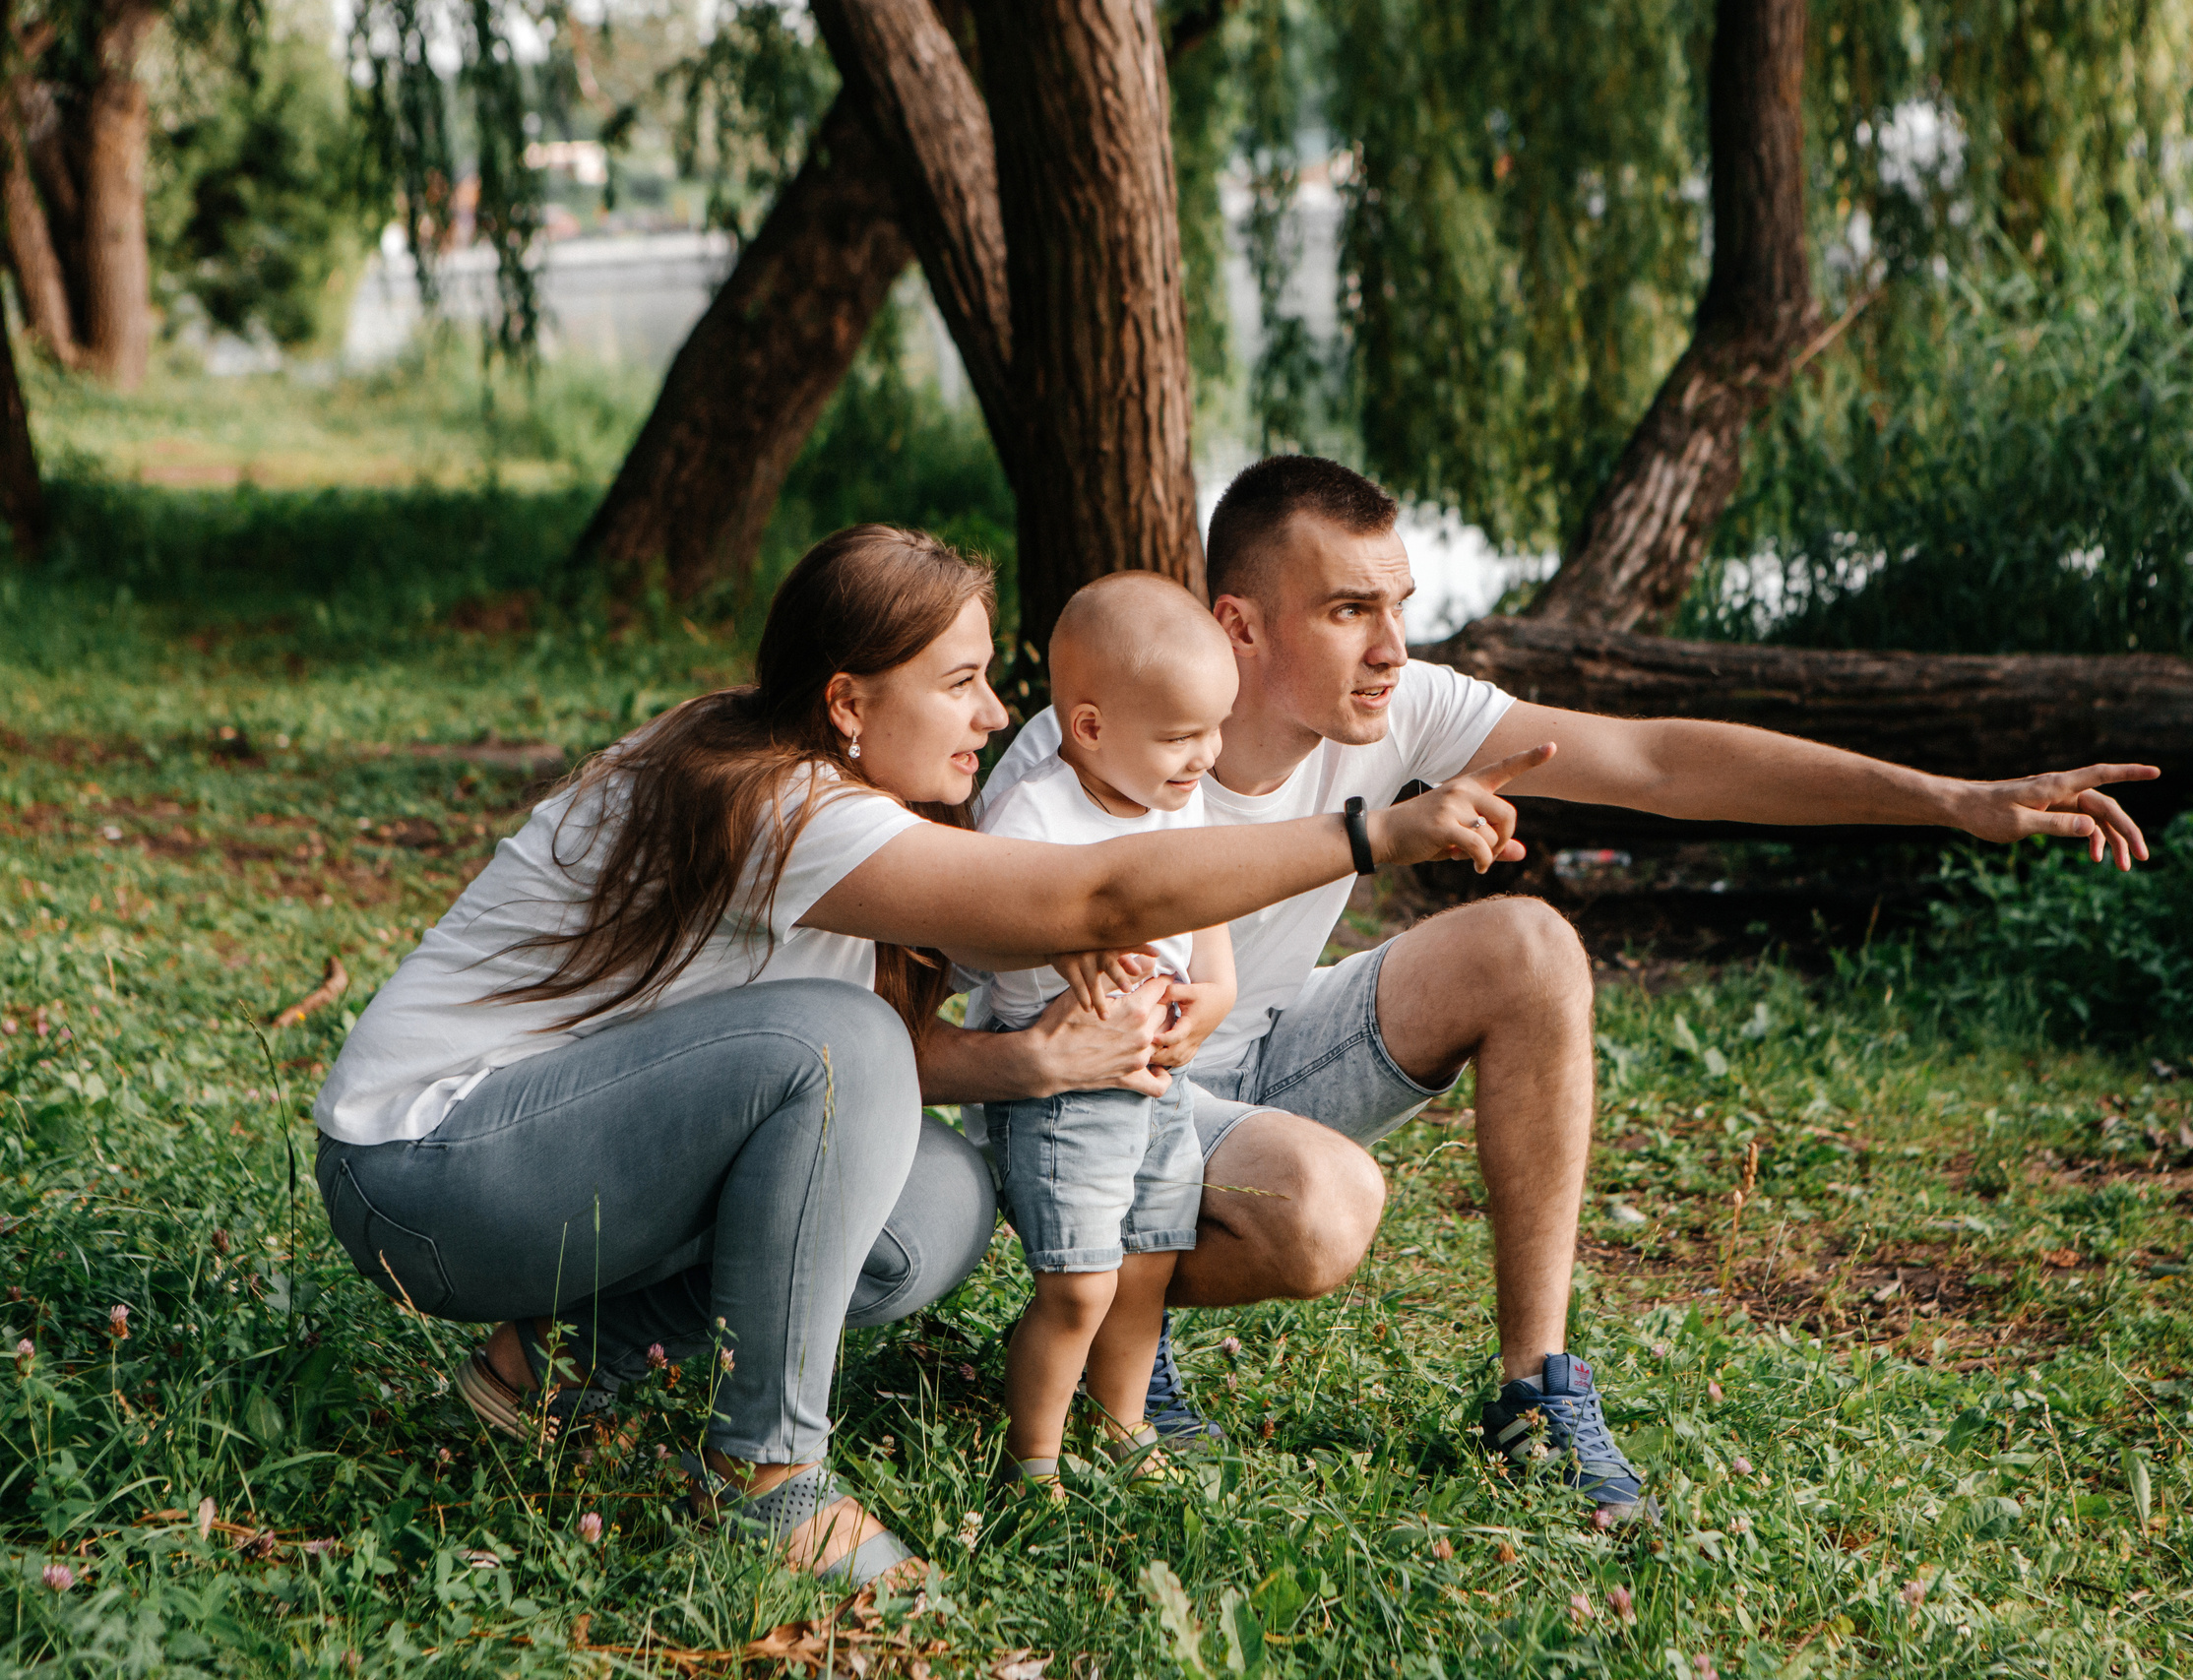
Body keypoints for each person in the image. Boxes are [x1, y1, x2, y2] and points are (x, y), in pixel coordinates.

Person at [311, 525, 1544, 1584]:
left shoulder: (856, 807)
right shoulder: (777, 802)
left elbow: (872, 1062)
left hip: (550, 1164)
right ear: (848, 703)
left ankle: (553, 1364)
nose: (997, 714)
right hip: (424, 1174)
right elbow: (1097, 895)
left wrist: (1035, 1064)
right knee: (836, 1042)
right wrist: (1371, 832)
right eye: (959, 683)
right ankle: (770, 1477)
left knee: (936, 1208)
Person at [955, 456, 2160, 1526]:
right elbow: (973, 945)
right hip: (1092, 1092)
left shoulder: (1394, 708)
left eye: (1399, 607)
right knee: (1323, 1210)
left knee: (1530, 945)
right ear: (1242, 626)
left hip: (1257, 1050)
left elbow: (1658, 761)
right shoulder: (1099, 749)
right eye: (1348, 610)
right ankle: (1122, 1317)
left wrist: (1948, 799)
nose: (1391, 647)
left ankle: (1536, 1395)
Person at [951, 574, 1240, 1495]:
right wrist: (1059, 929)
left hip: (1158, 1077)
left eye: (1215, 729)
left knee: (1148, 1259)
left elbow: (1206, 896)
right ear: (1089, 728)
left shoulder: (1175, 792)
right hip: (1065, 1090)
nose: (1206, 756)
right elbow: (971, 930)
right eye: (1181, 737)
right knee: (1080, 1282)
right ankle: (1030, 1460)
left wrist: (1217, 990)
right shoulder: (1034, 812)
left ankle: (1121, 1424)